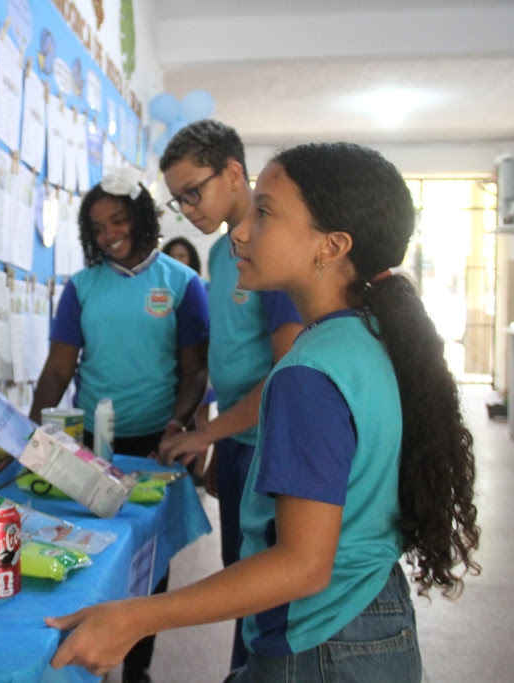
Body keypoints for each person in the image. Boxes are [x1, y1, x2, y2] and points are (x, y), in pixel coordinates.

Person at [45, 142, 481, 682]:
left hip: (322, 638)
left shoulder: (308, 374)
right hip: (367, 613)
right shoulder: (362, 338)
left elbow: (302, 563)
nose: (241, 231)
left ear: (332, 245)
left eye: (266, 213)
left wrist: (134, 616)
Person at [29, 167, 209, 683]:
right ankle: (91, 647)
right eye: (98, 226)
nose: (109, 234)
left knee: (150, 559)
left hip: (157, 442)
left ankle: (139, 667)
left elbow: (195, 369)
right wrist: (34, 432)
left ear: (142, 218)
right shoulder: (82, 288)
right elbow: (59, 369)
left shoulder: (182, 283)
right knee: (91, 543)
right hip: (93, 442)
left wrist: (179, 424)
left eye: (118, 221)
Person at [159, 119, 303, 669]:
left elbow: (289, 372)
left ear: (235, 172)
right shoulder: (221, 253)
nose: (189, 208)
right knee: (238, 570)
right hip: (240, 439)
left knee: (265, 587)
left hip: (274, 446)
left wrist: (209, 433)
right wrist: (217, 438)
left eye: (194, 191)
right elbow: (235, 360)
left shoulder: (272, 251)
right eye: (179, 200)